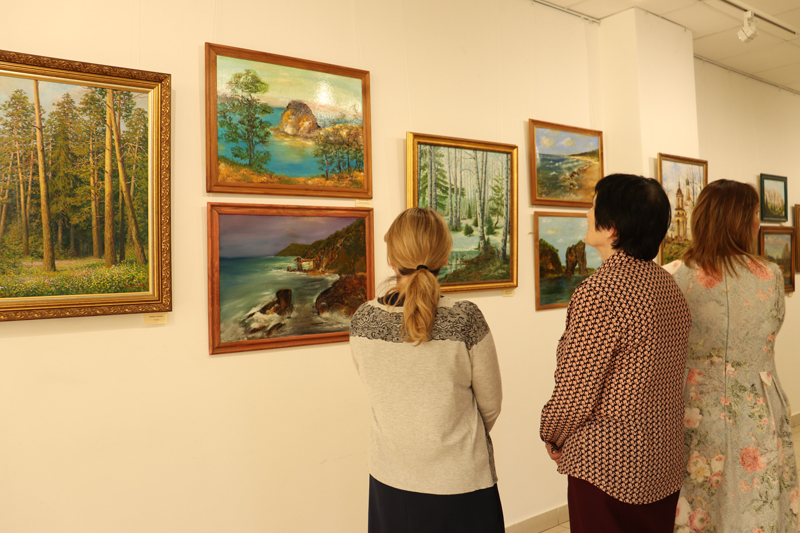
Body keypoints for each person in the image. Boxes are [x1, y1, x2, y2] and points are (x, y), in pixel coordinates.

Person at [540, 173, 692, 533]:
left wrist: (552, 433)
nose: (586, 213)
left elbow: (576, 389)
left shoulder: (601, 291)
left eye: (593, 207)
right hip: (662, 460)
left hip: (607, 465)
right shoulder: (667, 285)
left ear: (612, 228)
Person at [349, 207, 504, 533]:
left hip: (389, 479)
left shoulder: (363, 318)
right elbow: (490, 405)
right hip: (459, 482)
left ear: (391, 259)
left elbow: (376, 385)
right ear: (444, 258)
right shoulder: (466, 317)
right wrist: (452, 438)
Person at [666, 180, 799, 533]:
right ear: (739, 220)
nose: (758, 221)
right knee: (756, 493)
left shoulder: (674, 274)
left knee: (697, 497)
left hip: (693, 401)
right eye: (755, 213)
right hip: (757, 401)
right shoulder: (769, 275)